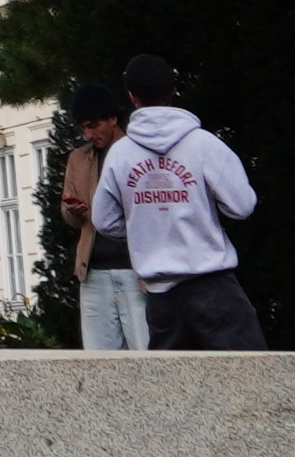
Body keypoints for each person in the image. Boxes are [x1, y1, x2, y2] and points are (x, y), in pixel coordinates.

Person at [95, 57, 265, 350]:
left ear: (132, 97)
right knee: (252, 382)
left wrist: (144, 227)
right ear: (174, 90)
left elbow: (103, 220)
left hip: (160, 296)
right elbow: (242, 206)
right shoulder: (203, 144)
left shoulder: (120, 155)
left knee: (171, 391)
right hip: (214, 287)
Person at [61, 82, 148, 353]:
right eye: (83, 128)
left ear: (112, 118)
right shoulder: (78, 158)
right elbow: (67, 213)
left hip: (136, 271)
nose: (88, 134)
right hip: (93, 272)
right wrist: (74, 212)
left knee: (147, 354)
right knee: (98, 360)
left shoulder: (137, 152)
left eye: (93, 125)